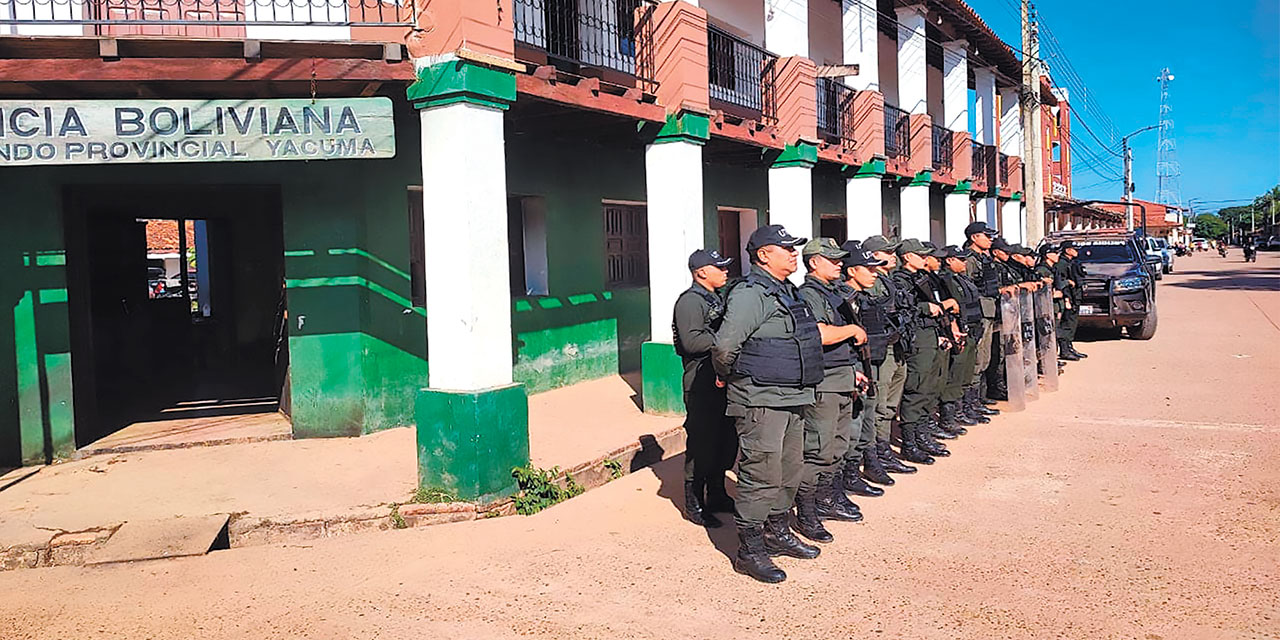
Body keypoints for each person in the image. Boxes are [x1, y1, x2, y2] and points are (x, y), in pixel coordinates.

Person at [713, 224, 822, 584]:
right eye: (786, 248)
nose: (794, 253)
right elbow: (725, 347)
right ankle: (750, 549)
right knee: (761, 472)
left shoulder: (785, 290)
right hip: (760, 397)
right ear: (763, 255)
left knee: (789, 468)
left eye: (794, 248)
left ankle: (778, 530)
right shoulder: (749, 293)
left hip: (792, 394)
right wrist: (732, 376)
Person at [795, 239, 869, 542]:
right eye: (833, 259)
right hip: (824, 381)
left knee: (838, 445)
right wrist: (852, 330)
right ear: (814, 262)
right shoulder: (808, 294)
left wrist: (854, 372)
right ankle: (807, 511)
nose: (840, 263)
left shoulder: (831, 292)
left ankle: (828, 499)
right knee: (818, 449)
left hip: (841, 376)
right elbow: (820, 334)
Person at [672, 249, 738, 528]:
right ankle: (694, 501)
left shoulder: (714, 297)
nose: (725, 271)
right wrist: (726, 339)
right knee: (703, 443)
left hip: (721, 380)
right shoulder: (690, 302)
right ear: (701, 272)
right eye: (719, 267)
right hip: (701, 382)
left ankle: (718, 494)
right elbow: (690, 342)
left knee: (725, 441)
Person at [839, 243, 905, 487]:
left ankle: (869, 461)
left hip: (871, 360)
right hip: (852, 367)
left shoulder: (864, 298)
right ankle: (849, 473)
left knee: (868, 416)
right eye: (868, 268)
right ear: (852, 271)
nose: (874, 273)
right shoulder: (841, 299)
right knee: (854, 423)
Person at [859, 236, 920, 475]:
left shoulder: (888, 280)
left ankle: (882, 449)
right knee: (880, 403)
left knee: (890, 402)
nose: (892, 255)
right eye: (886, 252)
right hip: (882, 349)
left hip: (897, 345)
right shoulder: (871, 282)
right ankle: (876, 453)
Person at [893, 239, 952, 463]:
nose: (925, 258)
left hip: (931, 334)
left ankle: (922, 435)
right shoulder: (900, 280)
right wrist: (926, 307)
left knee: (929, 386)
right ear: (908, 256)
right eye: (921, 255)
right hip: (918, 338)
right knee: (917, 388)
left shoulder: (921, 278)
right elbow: (901, 309)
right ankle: (909, 442)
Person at [938, 245, 985, 430]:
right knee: (955, 373)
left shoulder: (961, 278)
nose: (965, 262)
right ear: (949, 260)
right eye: (961, 259)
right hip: (958, 330)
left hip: (971, 329)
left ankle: (963, 408)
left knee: (966, 371)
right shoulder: (946, 280)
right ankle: (949, 416)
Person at [962, 223, 1002, 417]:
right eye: (987, 236)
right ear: (974, 238)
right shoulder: (969, 260)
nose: (990, 239)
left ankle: (978, 399)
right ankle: (969, 404)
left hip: (988, 310)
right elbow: (966, 289)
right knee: (977, 358)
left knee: (985, 357)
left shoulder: (984, 258)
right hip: (978, 312)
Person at [1056, 241, 1087, 359]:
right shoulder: (1062, 264)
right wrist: (1067, 299)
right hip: (1068, 298)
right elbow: (1060, 283)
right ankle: (1064, 350)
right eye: (1074, 249)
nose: (1076, 251)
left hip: (1074, 297)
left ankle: (1069, 347)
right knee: (1067, 324)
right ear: (1068, 250)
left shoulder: (1070, 262)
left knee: (1072, 323)